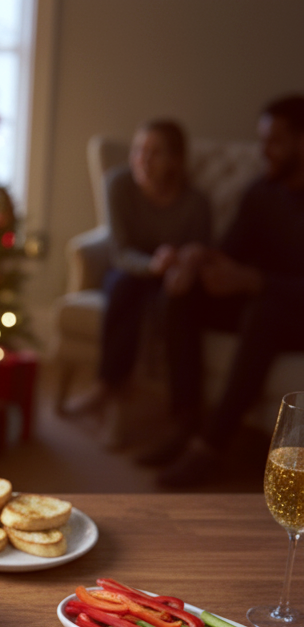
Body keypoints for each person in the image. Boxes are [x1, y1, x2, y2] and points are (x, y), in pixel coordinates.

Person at [154, 95, 304, 486]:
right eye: (262, 140)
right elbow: (230, 251)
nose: (263, 152)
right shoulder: (261, 192)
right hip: (261, 299)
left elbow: (258, 282)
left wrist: (257, 282)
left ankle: (210, 447)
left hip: (291, 312)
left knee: (264, 310)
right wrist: (198, 259)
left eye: (275, 142)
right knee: (185, 293)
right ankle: (186, 422)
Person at [64, 120, 211, 425]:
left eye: (155, 153)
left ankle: (180, 413)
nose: (142, 160)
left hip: (172, 278)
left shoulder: (195, 203)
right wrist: (151, 264)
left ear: (175, 160)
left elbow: (201, 249)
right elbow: (119, 251)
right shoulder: (119, 184)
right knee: (121, 284)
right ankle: (107, 385)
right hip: (132, 269)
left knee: (177, 302)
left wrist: (180, 261)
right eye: (138, 150)